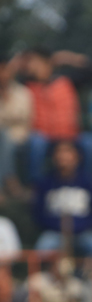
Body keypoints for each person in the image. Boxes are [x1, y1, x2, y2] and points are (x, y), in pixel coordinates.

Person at [17, 47, 92, 183]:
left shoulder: (67, 81)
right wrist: (19, 61)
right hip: (45, 138)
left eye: (35, 62)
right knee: (36, 142)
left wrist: (68, 58)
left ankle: (87, 184)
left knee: (90, 143)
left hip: (70, 135)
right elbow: (5, 73)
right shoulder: (26, 86)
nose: (31, 66)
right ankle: (35, 185)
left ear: (47, 63)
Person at [32, 139, 92, 257]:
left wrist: (78, 225)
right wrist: (57, 225)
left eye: (68, 152)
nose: (63, 156)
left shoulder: (88, 181)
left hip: (83, 232)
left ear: (77, 157)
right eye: (59, 152)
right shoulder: (45, 182)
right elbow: (38, 213)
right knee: (43, 247)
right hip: (54, 232)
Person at [0, 56, 33, 198]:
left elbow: (25, 116)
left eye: (4, 70)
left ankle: (6, 184)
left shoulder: (23, 93)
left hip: (20, 137)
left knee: (5, 138)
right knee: (4, 137)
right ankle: (11, 182)